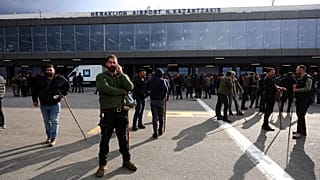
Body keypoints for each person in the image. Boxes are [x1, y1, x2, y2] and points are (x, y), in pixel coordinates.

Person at [95, 54, 137, 177]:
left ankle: (126, 160)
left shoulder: (121, 77)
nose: (112, 64)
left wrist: (122, 74)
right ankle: (102, 165)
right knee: (105, 140)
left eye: (114, 62)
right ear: (106, 64)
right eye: (110, 62)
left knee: (123, 139)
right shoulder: (101, 76)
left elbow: (130, 87)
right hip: (107, 114)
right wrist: (121, 92)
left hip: (121, 113)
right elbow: (105, 89)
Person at [31, 64, 70, 146]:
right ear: (45, 71)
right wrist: (34, 100)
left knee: (54, 121)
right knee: (46, 121)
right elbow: (34, 89)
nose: (49, 71)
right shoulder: (40, 79)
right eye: (47, 70)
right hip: (44, 104)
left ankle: (53, 138)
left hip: (54, 104)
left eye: (50, 70)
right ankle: (48, 136)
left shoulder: (59, 79)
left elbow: (67, 85)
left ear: (54, 70)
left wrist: (63, 94)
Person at [146, 68, 169, 139]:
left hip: (153, 100)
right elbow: (166, 90)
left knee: (154, 117)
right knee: (161, 116)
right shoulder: (162, 81)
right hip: (160, 100)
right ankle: (160, 130)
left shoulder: (150, 81)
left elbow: (146, 89)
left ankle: (155, 132)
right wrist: (163, 96)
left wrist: (150, 94)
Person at [292, 65, 313, 139]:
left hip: (305, 100)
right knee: (300, 115)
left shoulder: (308, 78)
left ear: (301, 69)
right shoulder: (299, 78)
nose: (296, 71)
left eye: (297, 69)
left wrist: (296, 90)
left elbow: (308, 88)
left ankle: (300, 132)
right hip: (299, 99)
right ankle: (302, 131)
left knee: (300, 115)